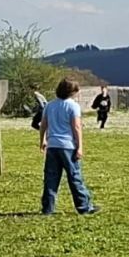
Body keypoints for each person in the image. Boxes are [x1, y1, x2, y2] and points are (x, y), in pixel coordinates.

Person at [40, 78, 99, 216]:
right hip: (68, 146)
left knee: (51, 177)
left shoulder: (50, 105)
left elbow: (43, 124)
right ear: (72, 92)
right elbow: (76, 127)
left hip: (53, 146)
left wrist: (42, 140)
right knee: (74, 176)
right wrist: (80, 147)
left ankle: (47, 208)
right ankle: (84, 207)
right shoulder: (73, 106)